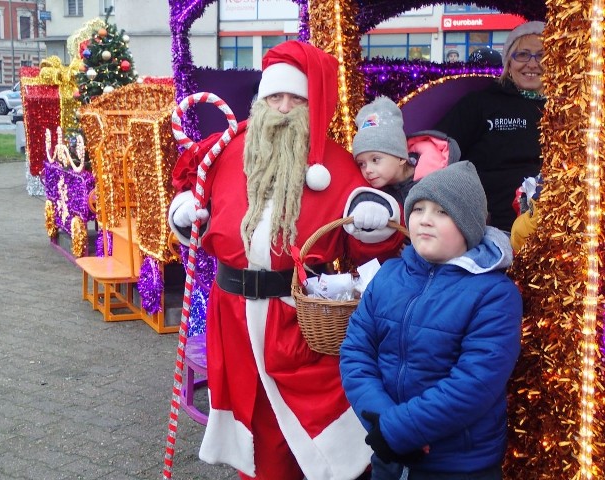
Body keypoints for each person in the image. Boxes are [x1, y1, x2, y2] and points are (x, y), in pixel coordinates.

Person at [168, 40, 405, 480]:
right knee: (252, 421)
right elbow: (195, 212)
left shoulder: (334, 165)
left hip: (298, 318)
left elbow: (365, 249)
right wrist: (183, 215)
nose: (281, 108)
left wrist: (376, 221)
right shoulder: (225, 152)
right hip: (232, 316)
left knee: (303, 425)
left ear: (310, 105)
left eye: (294, 98)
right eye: (273, 97)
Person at [340, 161, 523, 480]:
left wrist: (399, 430)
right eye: (419, 208)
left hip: (457, 465)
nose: (425, 219)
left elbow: (474, 383)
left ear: (468, 224)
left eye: (442, 212)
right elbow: (356, 353)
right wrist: (382, 424)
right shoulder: (389, 276)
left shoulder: (494, 294)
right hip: (388, 455)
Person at [435, 21, 546, 233]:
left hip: (552, 227)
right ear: (508, 62)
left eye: (541, 55)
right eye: (522, 54)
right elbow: (439, 150)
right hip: (491, 227)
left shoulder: (566, 108)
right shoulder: (480, 103)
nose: (532, 64)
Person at [350, 96, 460, 210]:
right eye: (362, 164)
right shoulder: (378, 193)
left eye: (375, 160)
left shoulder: (435, 181)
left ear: (401, 157)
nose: (367, 170)